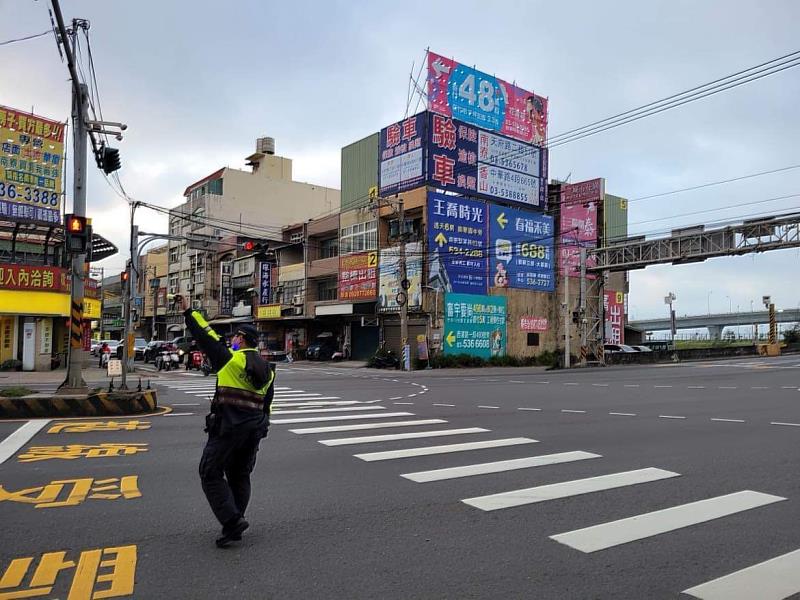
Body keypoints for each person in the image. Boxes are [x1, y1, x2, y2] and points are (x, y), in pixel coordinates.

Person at [180, 295, 276, 548]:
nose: (231, 340)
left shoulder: (231, 361)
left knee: (209, 472)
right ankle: (236, 523)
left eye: (234, 337)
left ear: (241, 339)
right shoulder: (269, 370)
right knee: (239, 474)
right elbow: (268, 404)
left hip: (228, 428)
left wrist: (189, 311)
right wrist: (262, 427)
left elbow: (206, 336)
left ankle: (232, 520)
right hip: (254, 430)